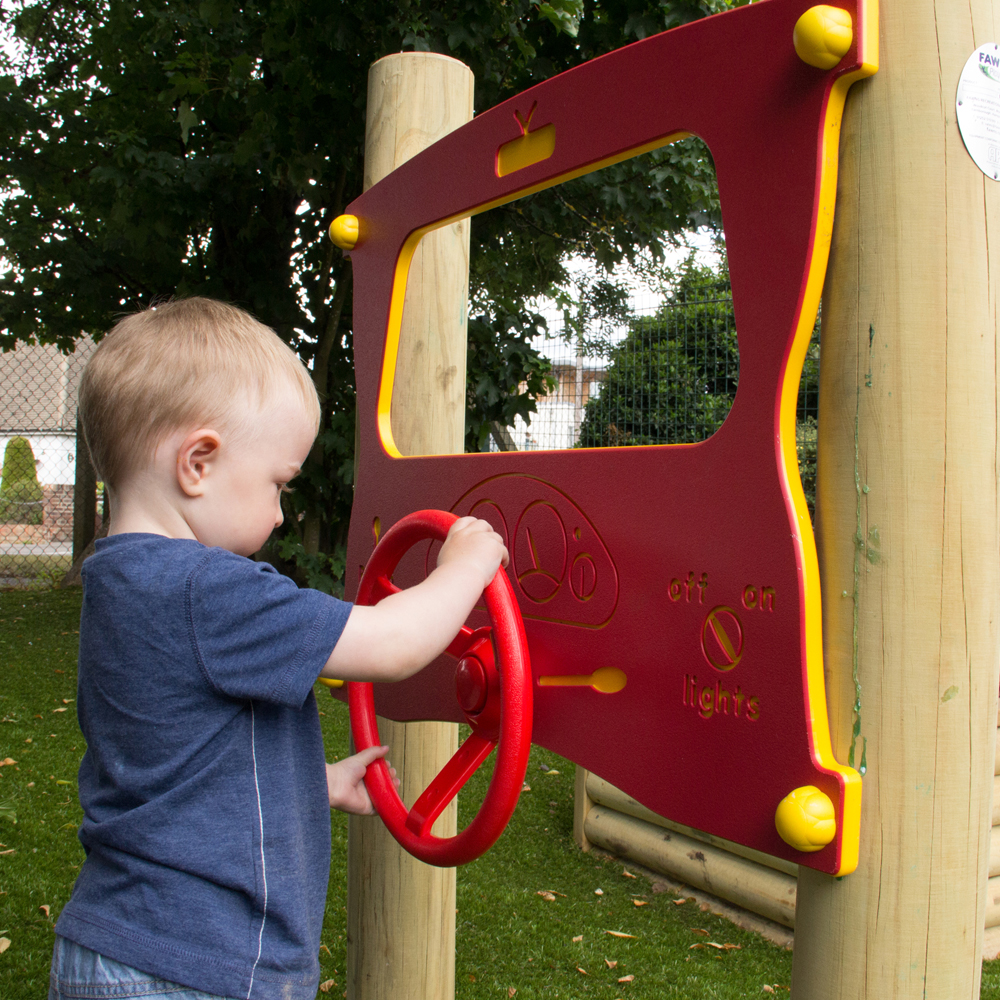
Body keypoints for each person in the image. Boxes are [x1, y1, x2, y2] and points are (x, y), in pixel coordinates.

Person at [49, 297, 508, 1000]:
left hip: (113, 944)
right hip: (198, 964)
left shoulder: (118, 579)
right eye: (278, 484)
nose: (282, 512)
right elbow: (392, 644)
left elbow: (167, 758)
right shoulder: (209, 588)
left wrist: (310, 784)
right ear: (198, 462)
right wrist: (467, 566)